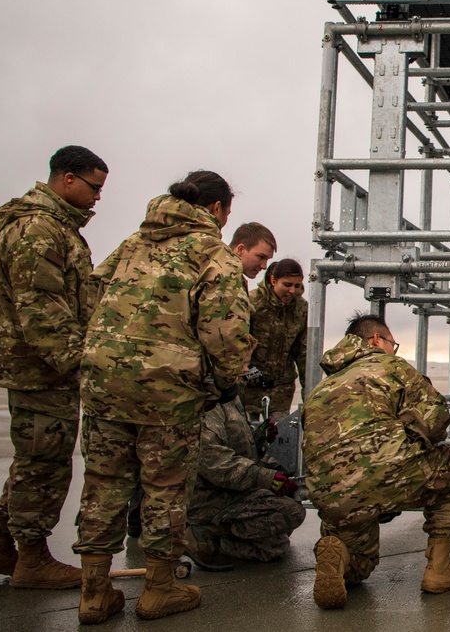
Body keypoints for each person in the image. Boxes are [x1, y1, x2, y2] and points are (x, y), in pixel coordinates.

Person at [72, 170, 254, 624]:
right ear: (216, 209)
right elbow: (226, 331)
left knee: (103, 484)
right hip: (167, 393)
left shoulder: (132, 243)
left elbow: (91, 294)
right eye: (227, 213)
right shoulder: (213, 253)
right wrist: (229, 379)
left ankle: (94, 591)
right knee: (165, 489)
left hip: (103, 383)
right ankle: (159, 587)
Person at [0, 145, 108, 590]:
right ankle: (31, 557)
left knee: (34, 457)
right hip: (41, 369)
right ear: (67, 178)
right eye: (94, 187)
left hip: (40, 367)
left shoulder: (55, 227)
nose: (99, 197)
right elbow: (42, 312)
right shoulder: (37, 229)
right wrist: (79, 367)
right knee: (44, 463)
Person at [303, 313, 450, 610]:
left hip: (331, 495)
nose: (394, 350)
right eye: (392, 344)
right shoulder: (391, 366)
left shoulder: (323, 387)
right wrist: (408, 440)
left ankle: (338, 556)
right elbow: (436, 417)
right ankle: (439, 569)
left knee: (360, 568)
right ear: (375, 340)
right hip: (385, 474)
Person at [185, 383, 306, 570]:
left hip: (233, 488)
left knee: (275, 547)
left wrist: (259, 436)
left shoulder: (229, 394)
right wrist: (265, 477)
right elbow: (214, 462)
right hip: (212, 498)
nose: (246, 368)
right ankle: (205, 533)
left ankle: (221, 541)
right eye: (241, 362)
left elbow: (236, 446)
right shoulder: (208, 404)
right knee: (291, 512)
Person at [245, 258, 308, 421]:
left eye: (297, 286)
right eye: (287, 285)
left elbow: (304, 354)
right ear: (273, 281)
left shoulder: (301, 309)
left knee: (281, 438)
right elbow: (237, 340)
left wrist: (310, 394)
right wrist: (245, 367)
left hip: (281, 390)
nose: (292, 291)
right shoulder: (252, 303)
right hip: (249, 387)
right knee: (247, 437)